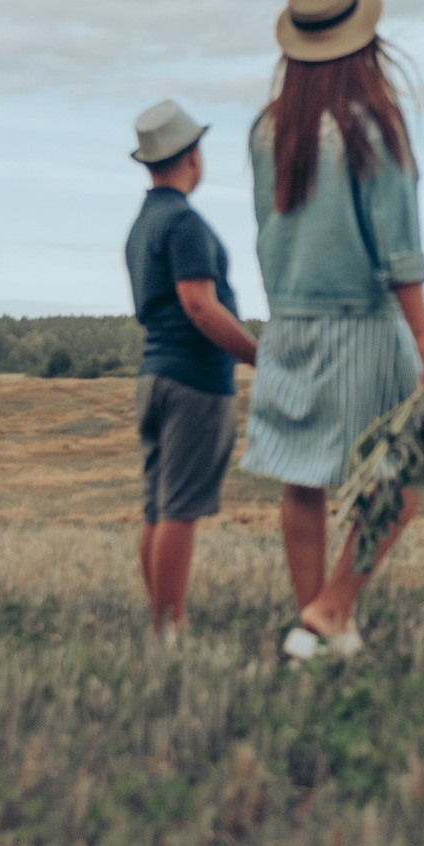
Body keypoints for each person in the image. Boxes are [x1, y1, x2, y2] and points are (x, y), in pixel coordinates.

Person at [240, 0, 424, 660]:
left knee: (301, 480)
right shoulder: (373, 126)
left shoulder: (265, 129)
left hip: (289, 324)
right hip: (361, 322)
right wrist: (423, 333)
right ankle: (331, 611)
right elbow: (400, 245)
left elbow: (269, 230)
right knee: (405, 469)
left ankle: (315, 625)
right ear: (363, 43)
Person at [124, 100, 259, 639]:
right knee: (178, 510)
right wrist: (257, 356)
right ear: (192, 157)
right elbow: (199, 305)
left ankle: (162, 619)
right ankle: (170, 627)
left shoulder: (143, 224)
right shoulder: (183, 223)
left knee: (158, 507)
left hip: (153, 375)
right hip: (194, 381)